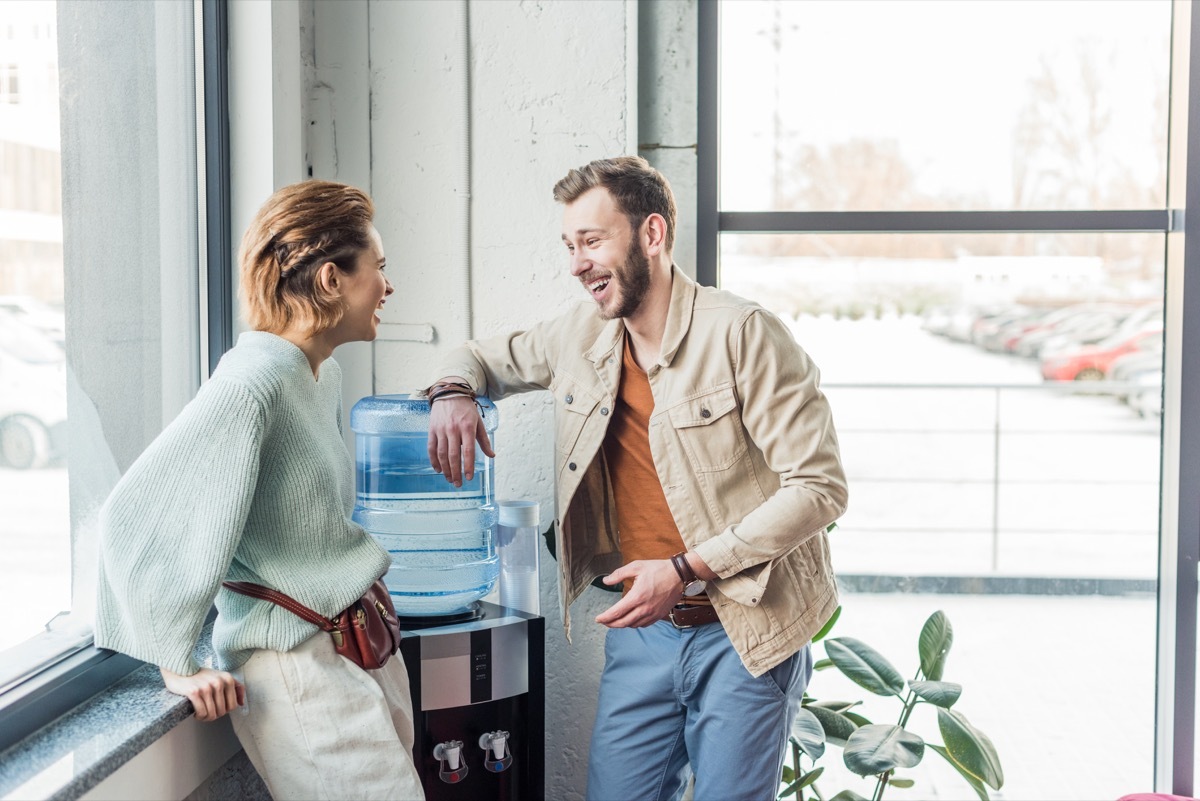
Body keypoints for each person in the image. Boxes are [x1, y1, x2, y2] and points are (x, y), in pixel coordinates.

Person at [425, 156, 848, 801]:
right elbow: (480, 356)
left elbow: (819, 487)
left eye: (593, 241)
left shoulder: (742, 334)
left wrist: (684, 569)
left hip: (745, 633)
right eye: (570, 245)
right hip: (644, 634)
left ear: (652, 235)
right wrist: (453, 391)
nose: (576, 265)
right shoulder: (581, 336)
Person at [95, 180, 425, 801]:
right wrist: (177, 662)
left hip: (357, 647)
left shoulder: (317, 374)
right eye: (378, 268)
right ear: (331, 279)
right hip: (300, 670)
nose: (387, 285)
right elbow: (133, 515)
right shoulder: (255, 381)